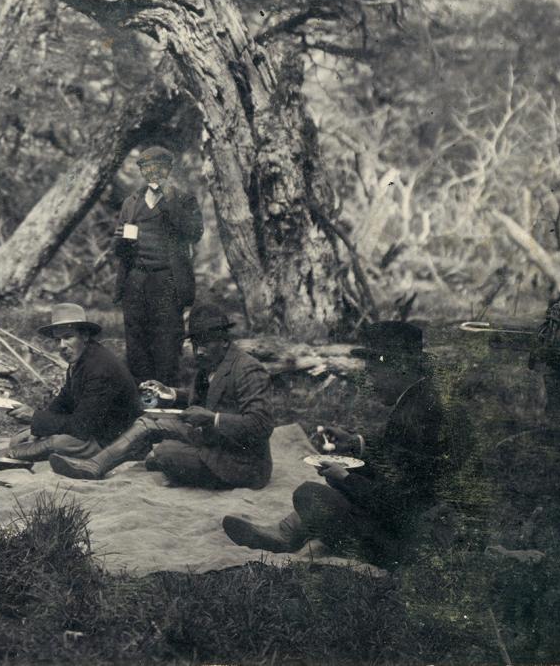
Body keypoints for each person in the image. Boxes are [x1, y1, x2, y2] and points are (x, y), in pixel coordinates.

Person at [223, 321, 452, 565]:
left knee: (309, 494)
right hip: (411, 517)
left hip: (410, 539)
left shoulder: (421, 414)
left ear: (399, 368)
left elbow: (399, 502)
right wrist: (357, 443)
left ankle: (289, 534)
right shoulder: (420, 398)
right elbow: (398, 460)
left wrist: (345, 479)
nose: (369, 382)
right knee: (334, 487)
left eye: (373, 372)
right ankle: (287, 532)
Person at [49, 301, 273, 487]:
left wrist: (213, 419)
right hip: (214, 440)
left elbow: (261, 424)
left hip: (242, 463)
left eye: (205, 344)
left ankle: (158, 458)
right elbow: (214, 396)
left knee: (165, 454)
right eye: (195, 344)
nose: (199, 351)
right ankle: (94, 466)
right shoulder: (213, 363)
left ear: (225, 341)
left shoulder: (247, 369)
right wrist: (174, 394)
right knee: (148, 422)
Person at [0, 303, 142, 462]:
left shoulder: (100, 367)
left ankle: (7, 455)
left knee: (58, 443)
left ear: (85, 336)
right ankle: (16, 450)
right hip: (92, 431)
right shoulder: (81, 359)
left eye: (68, 337)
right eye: (57, 339)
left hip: (115, 440)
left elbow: (81, 426)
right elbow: (64, 400)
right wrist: (36, 428)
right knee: (23, 437)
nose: (61, 346)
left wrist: (35, 418)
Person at [114, 146, 203, 384]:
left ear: (168, 169)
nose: (153, 173)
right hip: (135, 279)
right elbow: (117, 249)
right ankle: (140, 397)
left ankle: (166, 396)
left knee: (167, 341)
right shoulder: (131, 203)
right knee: (136, 340)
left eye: (159, 168)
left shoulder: (184, 200)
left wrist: (168, 203)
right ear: (142, 171)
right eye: (147, 168)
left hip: (167, 280)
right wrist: (121, 240)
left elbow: (195, 233)